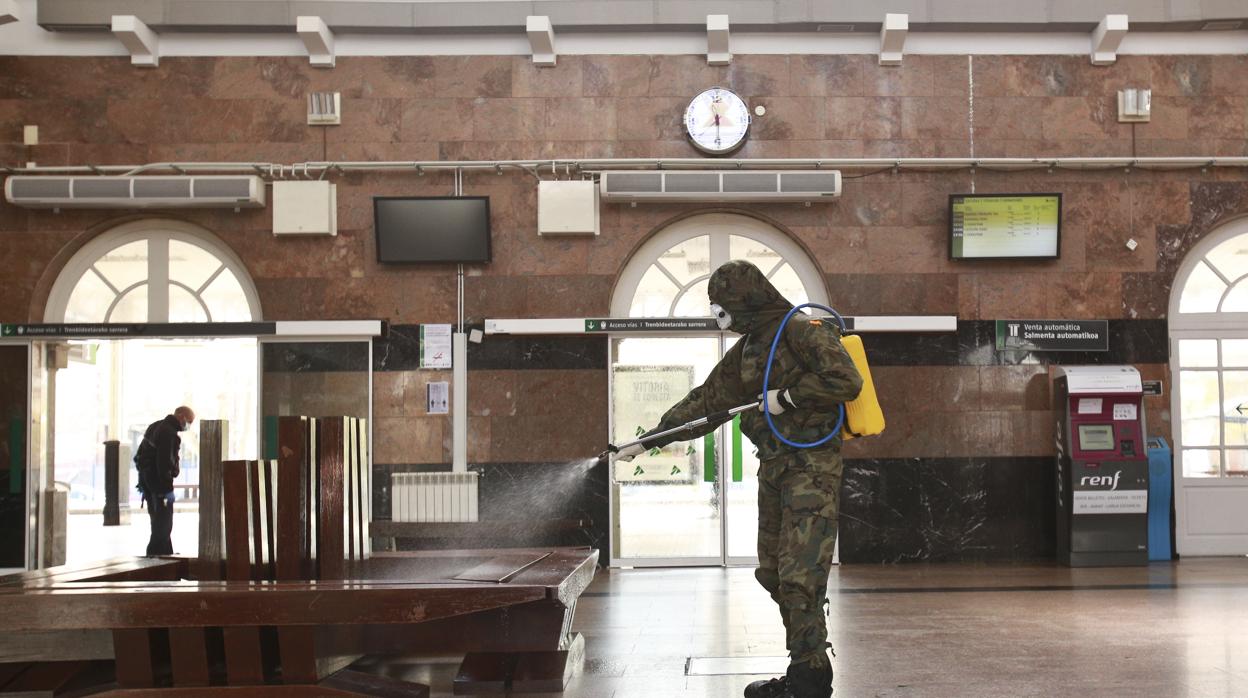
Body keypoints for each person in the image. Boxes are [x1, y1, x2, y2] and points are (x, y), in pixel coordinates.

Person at [616, 260, 862, 698]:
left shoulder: (803, 330)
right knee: (771, 572)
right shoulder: (748, 351)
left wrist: (788, 397)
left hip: (811, 469)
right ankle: (805, 662)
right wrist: (649, 440)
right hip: (774, 468)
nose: (720, 318)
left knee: (799, 576)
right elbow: (707, 401)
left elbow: (846, 379)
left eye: (723, 308)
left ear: (746, 301)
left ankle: (809, 679)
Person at [134, 406, 194, 557]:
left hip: (147, 482)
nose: (188, 425)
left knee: (157, 521)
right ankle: (154, 558)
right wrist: (167, 489)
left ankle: (166, 554)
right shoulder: (169, 433)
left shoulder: (156, 426)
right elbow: (164, 463)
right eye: (189, 421)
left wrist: (145, 482)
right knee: (164, 524)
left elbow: (141, 454)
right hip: (160, 485)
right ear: (181, 416)